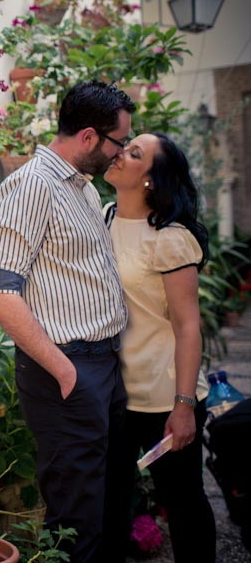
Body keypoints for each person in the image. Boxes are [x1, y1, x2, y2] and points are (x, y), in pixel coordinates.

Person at [0, 80, 135, 563]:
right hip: (68, 370)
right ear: (89, 137)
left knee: (109, 505)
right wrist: (65, 370)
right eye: (118, 142)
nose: (121, 153)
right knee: (76, 520)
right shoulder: (31, 186)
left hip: (103, 366)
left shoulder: (83, 188)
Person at [102, 132, 216, 563]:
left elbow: (189, 327)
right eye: (126, 145)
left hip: (165, 398)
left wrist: (183, 405)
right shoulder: (105, 216)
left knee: (184, 505)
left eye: (134, 154)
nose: (120, 153)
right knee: (110, 505)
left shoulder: (170, 237)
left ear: (151, 179)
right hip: (114, 395)